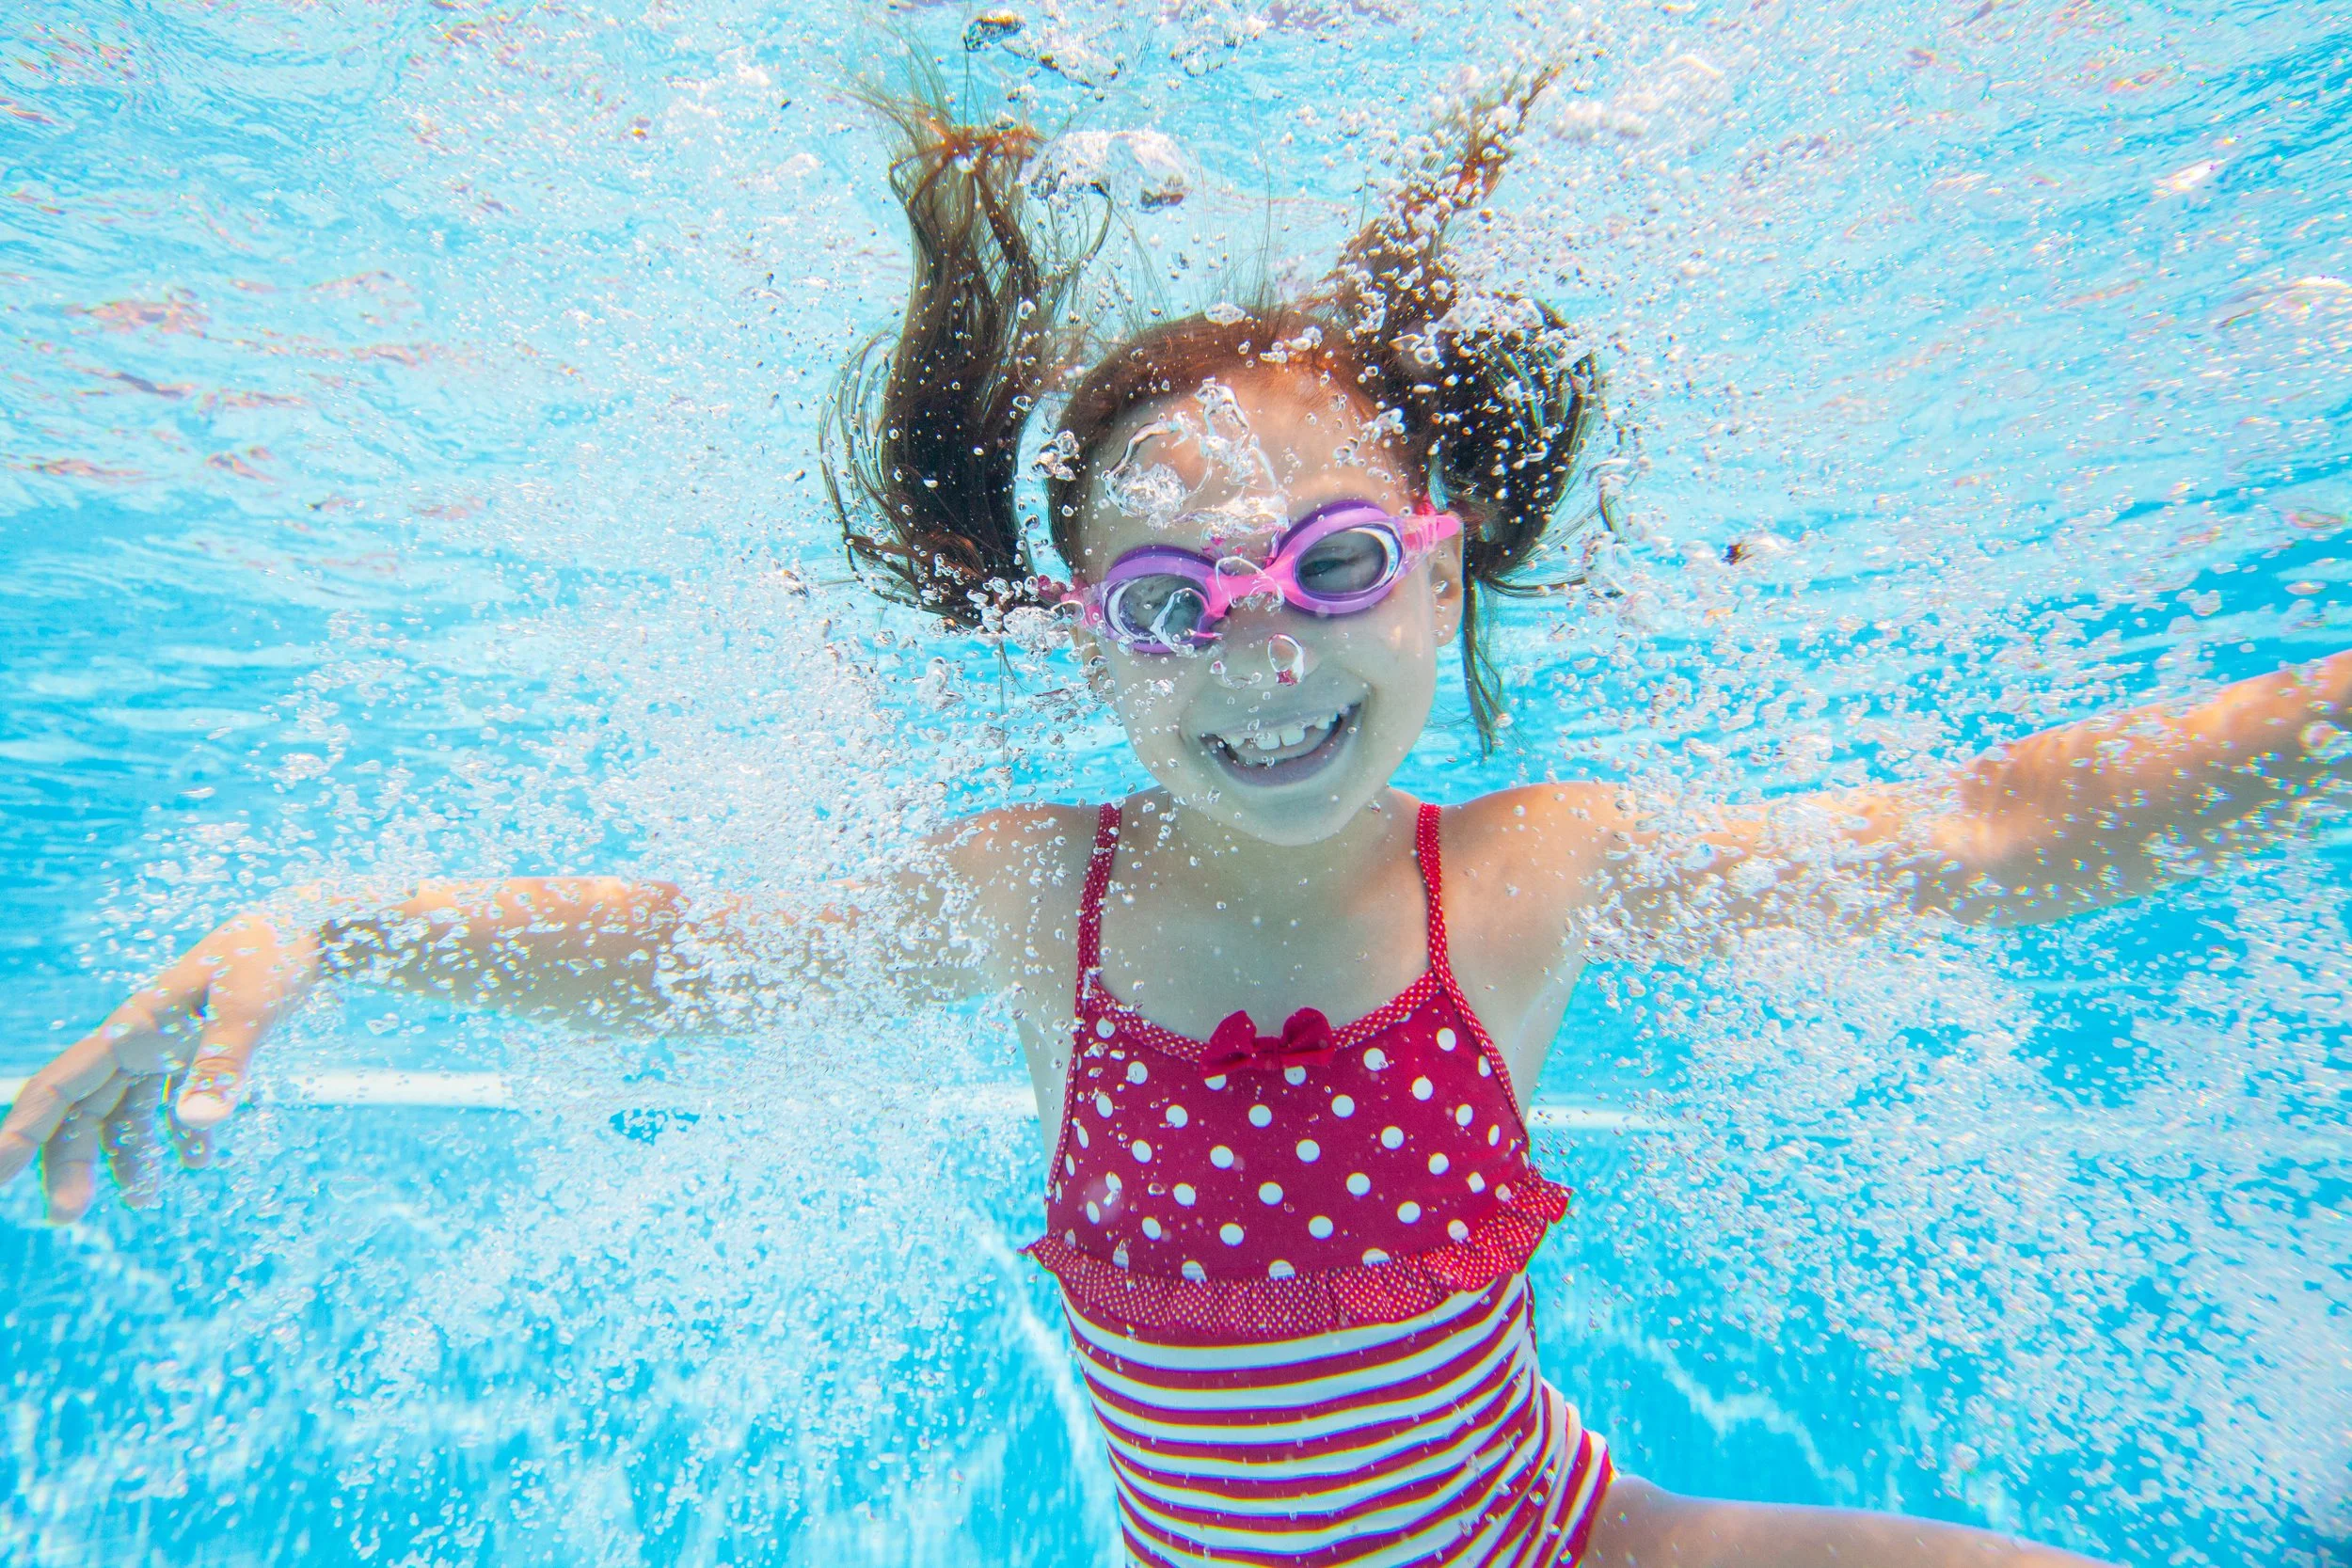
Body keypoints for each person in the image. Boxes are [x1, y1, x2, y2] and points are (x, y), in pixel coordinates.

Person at [4, 68, 2342, 1568]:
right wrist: (351, 921)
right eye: (1173, 597)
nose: (1263, 653)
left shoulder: (1515, 874)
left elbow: (1980, 836)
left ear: (1434, 570)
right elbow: (688, 946)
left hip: (1557, 1539)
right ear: (1089, 644)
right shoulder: (1046, 900)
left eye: (1330, 569)